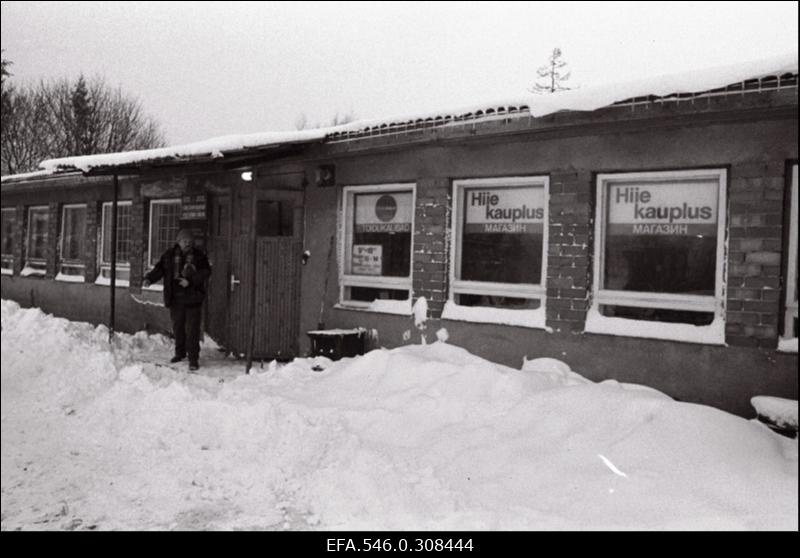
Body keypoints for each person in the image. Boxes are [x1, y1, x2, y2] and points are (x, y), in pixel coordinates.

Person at [143, 229, 211, 371]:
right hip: (175, 299)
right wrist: (149, 278)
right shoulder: (169, 255)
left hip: (193, 298)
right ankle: (180, 353)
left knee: (192, 330)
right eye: (185, 241)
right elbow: (159, 269)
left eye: (190, 241)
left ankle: (193, 359)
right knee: (178, 328)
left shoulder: (199, 256)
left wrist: (190, 281)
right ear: (178, 242)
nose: (188, 243)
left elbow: (206, 272)